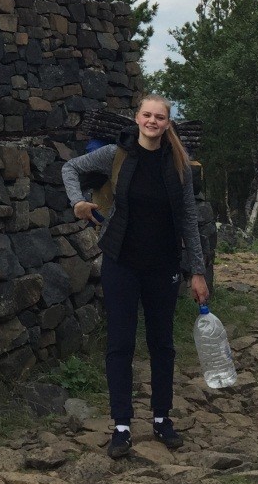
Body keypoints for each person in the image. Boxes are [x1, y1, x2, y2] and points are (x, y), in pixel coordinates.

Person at [62, 94, 209, 459]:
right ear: (137, 117)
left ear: (168, 123)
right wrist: (77, 201)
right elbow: (71, 168)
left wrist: (197, 271)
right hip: (121, 262)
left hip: (163, 265)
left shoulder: (178, 164)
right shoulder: (117, 154)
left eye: (160, 117)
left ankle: (162, 419)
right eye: (147, 115)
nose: (152, 121)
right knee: (120, 344)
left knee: (162, 344)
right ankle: (122, 426)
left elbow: (188, 219)